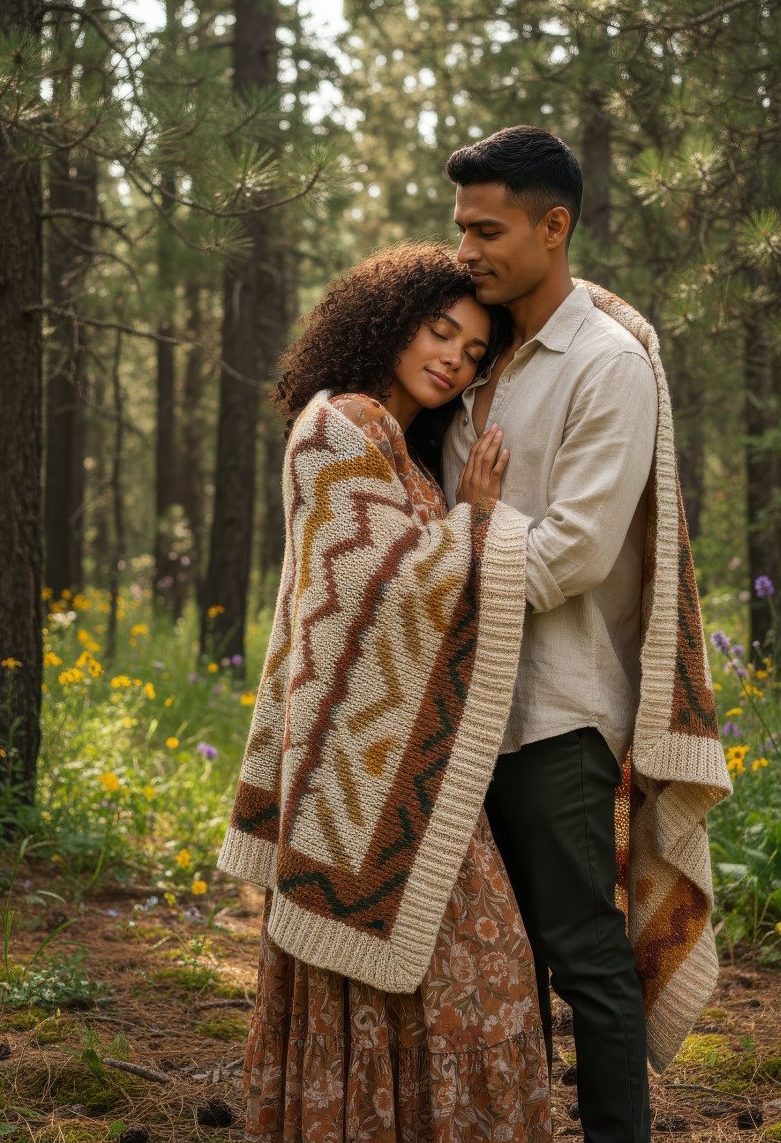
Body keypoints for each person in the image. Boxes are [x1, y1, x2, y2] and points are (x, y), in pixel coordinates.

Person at [217, 242, 551, 1142]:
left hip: (395, 762)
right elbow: (379, 586)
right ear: (389, 321)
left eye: (473, 352)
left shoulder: (401, 442)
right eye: (439, 331)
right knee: (478, 974)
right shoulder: (340, 423)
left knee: (473, 975)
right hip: (357, 777)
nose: (453, 360)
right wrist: (477, 522)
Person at [441, 126, 732, 1143]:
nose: (466, 249)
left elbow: (576, 551)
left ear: (554, 226)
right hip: (465, 715)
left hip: (555, 716)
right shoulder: (478, 355)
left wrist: (453, 557)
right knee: (495, 959)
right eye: (460, 226)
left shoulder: (607, 364)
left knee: (583, 957)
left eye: (488, 229)